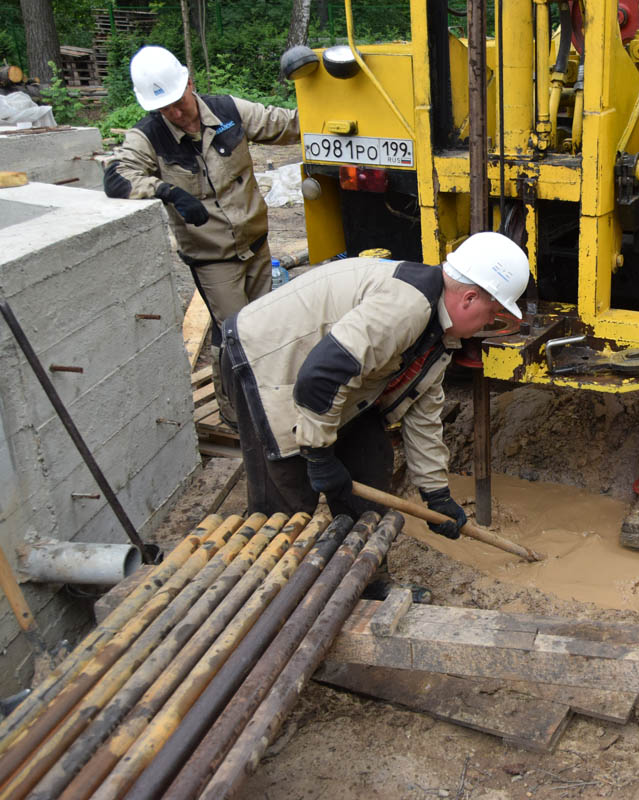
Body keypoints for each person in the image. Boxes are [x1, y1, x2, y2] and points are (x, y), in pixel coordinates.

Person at [219, 232, 530, 535]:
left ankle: (366, 582)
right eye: (491, 312)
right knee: (289, 493)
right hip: (268, 361)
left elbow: (423, 416)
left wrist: (437, 496)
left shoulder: (439, 335)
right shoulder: (405, 307)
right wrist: (318, 455)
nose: (490, 322)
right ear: (469, 298)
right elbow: (320, 378)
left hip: (337, 381)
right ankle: (271, 578)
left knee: (368, 466)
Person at [103, 45, 300, 426]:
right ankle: (237, 414)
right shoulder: (149, 136)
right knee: (235, 335)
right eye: (164, 109)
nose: (176, 114)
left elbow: (286, 123)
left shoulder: (228, 111)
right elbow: (116, 177)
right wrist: (167, 191)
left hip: (255, 244)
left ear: (189, 82)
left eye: (179, 102)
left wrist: (339, 116)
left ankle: (269, 398)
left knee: (261, 326)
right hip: (212, 257)